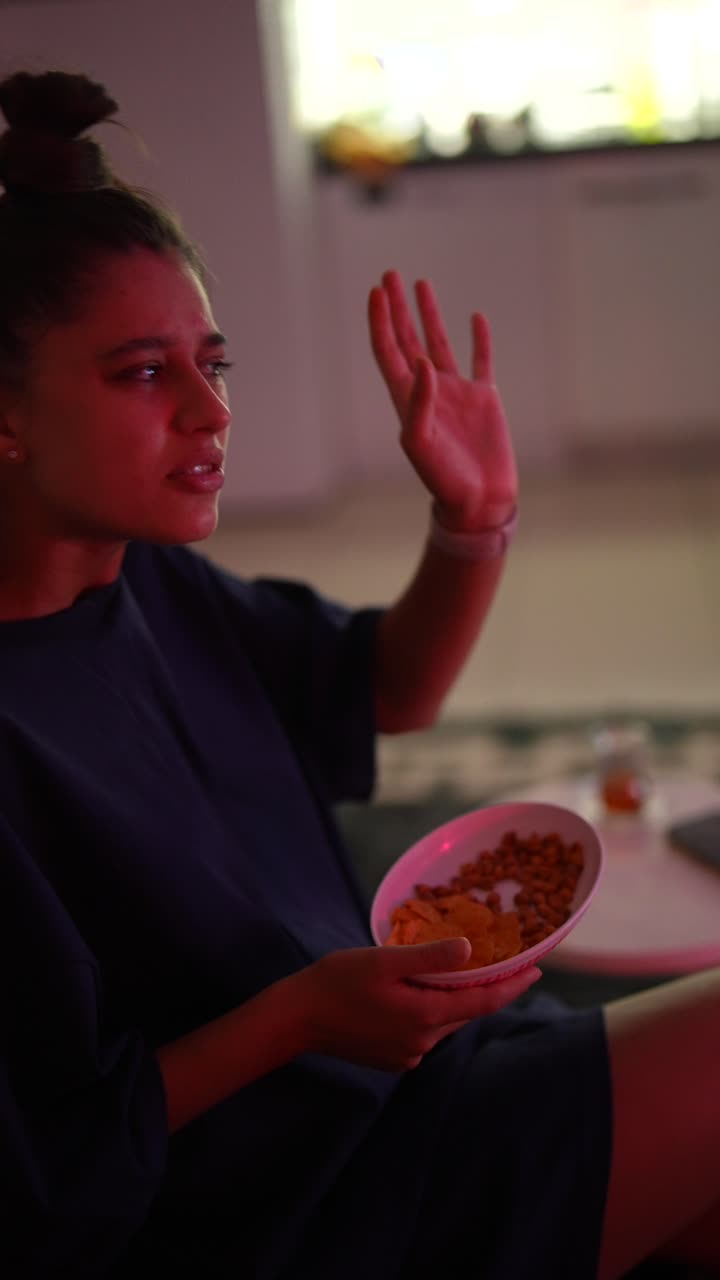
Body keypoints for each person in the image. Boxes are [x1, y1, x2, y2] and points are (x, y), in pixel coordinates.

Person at [1, 69, 720, 1280]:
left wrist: (474, 517)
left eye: (211, 363)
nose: (209, 411)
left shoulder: (147, 579)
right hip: (301, 1201)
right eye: (141, 372)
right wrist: (300, 1015)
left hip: (412, 1079)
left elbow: (384, 691)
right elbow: (49, 1170)